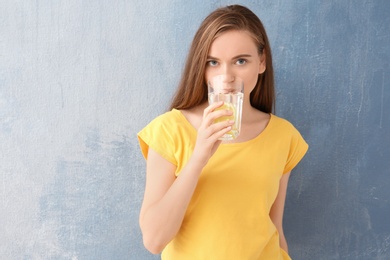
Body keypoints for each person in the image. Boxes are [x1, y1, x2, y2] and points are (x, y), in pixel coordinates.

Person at [137, 4, 308, 259]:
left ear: (261, 62)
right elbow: (154, 241)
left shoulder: (284, 136)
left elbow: (275, 228)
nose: (226, 76)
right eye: (213, 62)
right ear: (201, 67)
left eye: (240, 61)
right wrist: (199, 157)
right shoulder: (169, 130)